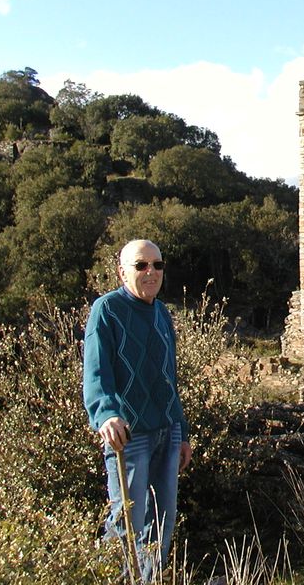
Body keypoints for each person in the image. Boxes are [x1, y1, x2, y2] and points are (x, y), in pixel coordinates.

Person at [83, 239, 193, 582]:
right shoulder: (107, 310)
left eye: (157, 265)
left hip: (167, 431)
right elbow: (96, 372)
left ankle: (146, 580)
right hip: (130, 435)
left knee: (163, 520)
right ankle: (112, 578)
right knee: (127, 519)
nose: (151, 273)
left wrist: (182, 433)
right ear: (122, 272)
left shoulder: (162, 313)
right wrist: (106, 414)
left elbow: (169, 379)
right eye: (141, 266)